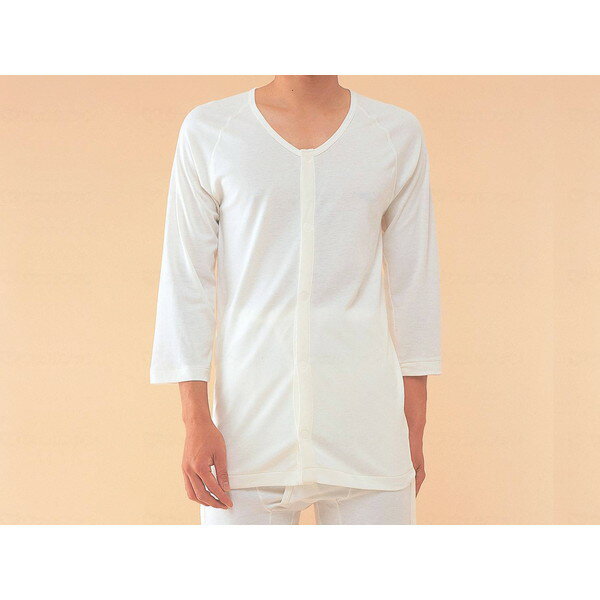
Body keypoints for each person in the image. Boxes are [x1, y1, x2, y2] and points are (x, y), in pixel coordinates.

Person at [150, 76, 441, 525]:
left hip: (367, 431)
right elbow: (186, 280)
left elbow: (414, 282)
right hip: (245, 434)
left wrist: (414, 425)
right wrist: (194, 420)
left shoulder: (394, 133)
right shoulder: (211, 130)